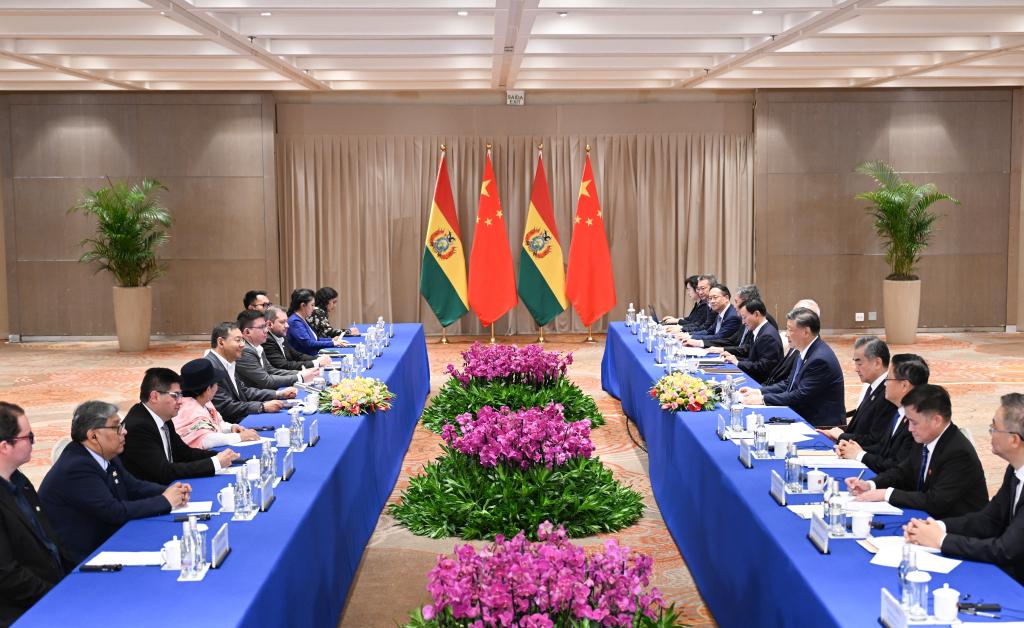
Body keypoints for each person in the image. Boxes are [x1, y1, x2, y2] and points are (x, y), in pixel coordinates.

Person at [39, 401, 190, 564]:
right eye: (117, 426)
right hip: (85, 558)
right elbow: (113, 511)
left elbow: (134, 487)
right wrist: (165, 501)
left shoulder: (107, 455)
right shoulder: (76, 467)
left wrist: (171, 490)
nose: (124, 431)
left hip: (109, 540)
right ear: (93, 436)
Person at [904, 393, 1024, 584]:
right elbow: (988, 519)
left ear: (1014, 440)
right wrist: (937, 527)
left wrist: (941, 541)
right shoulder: (1015, 469)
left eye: (995, 428)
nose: (990, 432)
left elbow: (1006, 549)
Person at [846, 384, 988, 519]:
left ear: (936, 420)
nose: (910, 429)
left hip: (956, 530)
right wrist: (870, 485)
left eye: (914, 423)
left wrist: (887, 494)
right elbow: (902, 472)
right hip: (926, 518)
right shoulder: (925, 437)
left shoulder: (958, 453)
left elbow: (935, 501)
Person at [0, 402, 71, 625]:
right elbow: (7, 574)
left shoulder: (21, 482)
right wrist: (57, 595)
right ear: (5, 446)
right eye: (28, 437)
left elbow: (50, 540)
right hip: (22, 611)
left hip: (54, 593)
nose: (34, 442)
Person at [120, 368, 239, 484]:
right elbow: (163, 472)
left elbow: (184, 453)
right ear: (154, 397)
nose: (180, 401)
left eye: (180, 395)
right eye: (175, 395)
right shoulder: (138, 426)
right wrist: (214, 463)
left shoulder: (163, 417)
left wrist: (218, 455)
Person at [740, 307, 845, 426]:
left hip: (819, 424)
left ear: (806, 332)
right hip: (800, 412)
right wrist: (759, 391)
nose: (786, 335)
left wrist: (763, 399)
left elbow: (799, 395)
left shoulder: (820, 360)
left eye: (790, 330)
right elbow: (789, 383)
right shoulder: (804, 350)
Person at [837, 354, 929, 473]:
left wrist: (860, 455)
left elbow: (897, 467)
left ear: (904, 385)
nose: (884, 384)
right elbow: (882, 448)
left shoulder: (917, 422)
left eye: (888, 379)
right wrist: (850, 449)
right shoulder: (899, 412)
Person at [206, 322, 293, 424]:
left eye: (242, 340)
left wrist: (278, 394)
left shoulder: (227, 361)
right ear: (221, 342)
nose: (243, 345)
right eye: (238, 340)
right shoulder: (210, 368)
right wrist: (262, 406)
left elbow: (244, 392)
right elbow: (226, 406)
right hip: (230, 426)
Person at [819, 336, 896, 447]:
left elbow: (875, 439)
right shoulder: (871, 387)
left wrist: (841, 436)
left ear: (877, 363)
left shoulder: (888, 394)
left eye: (859, 364)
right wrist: (834, 434)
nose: (856, 369)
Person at [174, 359, 260, 449]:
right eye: (215, 384)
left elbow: (215, 423)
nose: (217, 387)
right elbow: (206, 439)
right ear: (208, 389)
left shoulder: (203, 401)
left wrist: (231, 428)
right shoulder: (188, 410)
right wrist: (240, 437)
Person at [236, 310, 318, 390]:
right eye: (261, 327)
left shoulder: (257, 346)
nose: (266, 330)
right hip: (256, 398)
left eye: (265, 326)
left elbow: (271, 370)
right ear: (247, 332)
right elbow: (266, 381)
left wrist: (301, 373)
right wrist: (300, 377)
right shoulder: (244, 351)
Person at [721, 298, 782, 384]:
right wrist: (733, 357)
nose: (743, 322)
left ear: (756, 314)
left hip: (761, 382)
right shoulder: (759, 330)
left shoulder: (768, 336)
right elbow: (752, 358)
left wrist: (738, 363)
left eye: (744, 317)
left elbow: (764, 368)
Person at [761, 298, 820, 387]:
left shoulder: (816, 357)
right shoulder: (799, 344)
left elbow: (796, 392)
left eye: (798, 313)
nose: (786, 334)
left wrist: (762, 396)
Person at [262, 306, 332, 371]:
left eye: (286, 321)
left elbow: (298, 356)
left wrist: (319, 358)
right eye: (282, 322)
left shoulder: (281, 336)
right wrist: (316, 363)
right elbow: (283, 366)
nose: (287, 325)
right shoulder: (267, 340)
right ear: (269, 324)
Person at [286, 288, 351, 356]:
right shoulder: (295, 321)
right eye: (312, 305)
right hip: (306, 361)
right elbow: (308, 343)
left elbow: (315, 339)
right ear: (303, 305)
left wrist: (331, 340)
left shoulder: (302, 318)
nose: (314, 308)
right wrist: (333, 343)